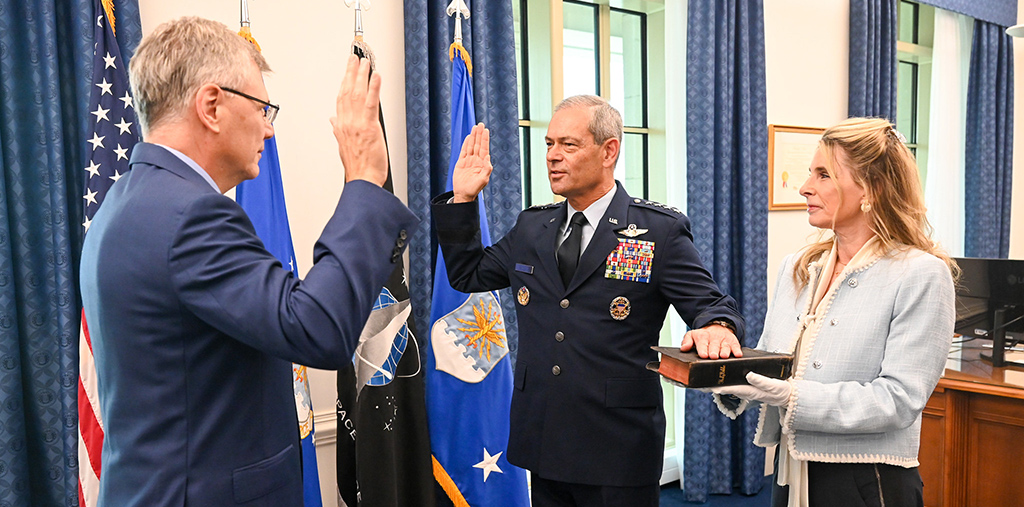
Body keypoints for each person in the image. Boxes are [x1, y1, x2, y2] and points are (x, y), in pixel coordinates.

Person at [79, 17, 417, 506]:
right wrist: (364, 180)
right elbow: (317, 329)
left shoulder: (127, 200)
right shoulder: (189, 214)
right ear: (212, 106)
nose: (269, 129)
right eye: (262, 108)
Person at [432, 95, 745, 507]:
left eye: (568, 145)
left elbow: (710, 303)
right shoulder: (532, 227)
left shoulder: (657, 232)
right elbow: (467, 273)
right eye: (548, 145)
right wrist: (464, 200)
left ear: (608, 150)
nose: (553, 157)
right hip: (543, 436)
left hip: (617, 443)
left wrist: (717, 326)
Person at [711, 117, 957, 507]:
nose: (805, 186)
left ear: (871, 187)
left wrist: (793, 395)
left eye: (823, 174)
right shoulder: (798, 267)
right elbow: (774, 360)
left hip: (867, 479)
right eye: (810, 173)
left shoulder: (921, 273)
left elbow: (899, 399)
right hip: (791, 470)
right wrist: (719, 369)